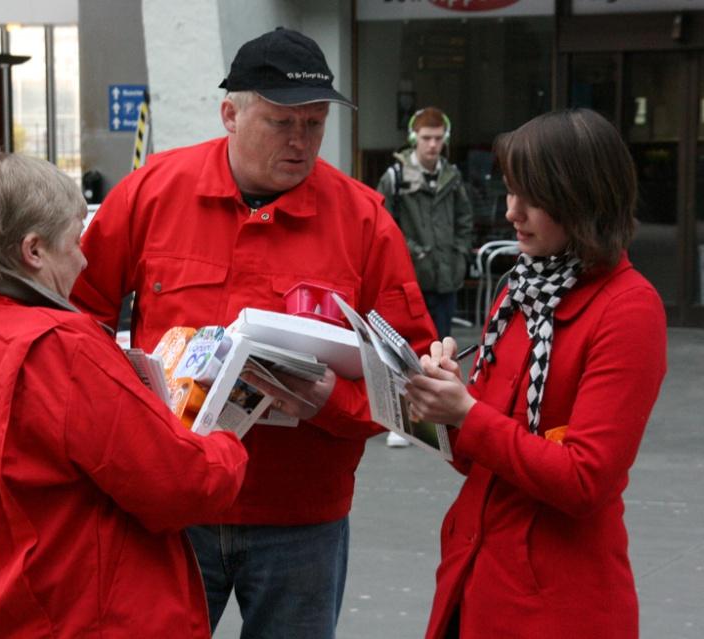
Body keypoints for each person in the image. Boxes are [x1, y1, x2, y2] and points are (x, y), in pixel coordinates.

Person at [71, 27, 436, 639]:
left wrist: (334, 403)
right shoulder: (154, 193)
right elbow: (77, 315)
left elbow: (413, 373)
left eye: (314, 124)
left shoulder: (364, 221)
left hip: (302, 519)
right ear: (230, 115)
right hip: (173, 505)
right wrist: (126, 400)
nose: (301, 142)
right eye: (281, 123)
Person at [0, 152, 248, 639]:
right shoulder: (60, 350)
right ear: (34, 251)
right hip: (82, 615)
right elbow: (179, 483)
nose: (85, 259)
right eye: (74, 239)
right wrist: (227, 440)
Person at [405, 108, 667, 638]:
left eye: (533, 197)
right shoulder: (521, 289)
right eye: (509, 191)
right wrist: (436, 403)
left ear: (584, 200)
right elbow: (479, 459)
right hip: (475, 577)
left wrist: (467, 414)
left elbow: (584, 480)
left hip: (555, 604)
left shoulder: (629, 308)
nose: (511, 212)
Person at [377, 107, 473, 448]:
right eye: (427, 138)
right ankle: (402, 417)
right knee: (406, 349)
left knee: (441, 348)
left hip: (446, 274)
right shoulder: (396, 176)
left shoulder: (452, 176)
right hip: (411, 279)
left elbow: (464, 218)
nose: (433, 145)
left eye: (438, 138)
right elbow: (385, 224)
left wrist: (461, 252)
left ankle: (434, 416)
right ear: (414, 138)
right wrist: (415, 253)